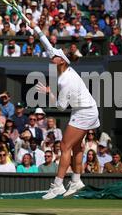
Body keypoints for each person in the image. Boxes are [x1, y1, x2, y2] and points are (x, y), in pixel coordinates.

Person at [31, 20, 100, 199]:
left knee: (64, 145)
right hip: (86, 109)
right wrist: (35, 27)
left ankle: (58, 185)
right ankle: (76, 181)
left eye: (54, 56)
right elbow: (46, 43)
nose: (50, 57)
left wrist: (49, 92)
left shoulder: (65, 81)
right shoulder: (62, 67)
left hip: (84, 111)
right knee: (77, 146)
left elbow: (61, 106)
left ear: (61, 61)